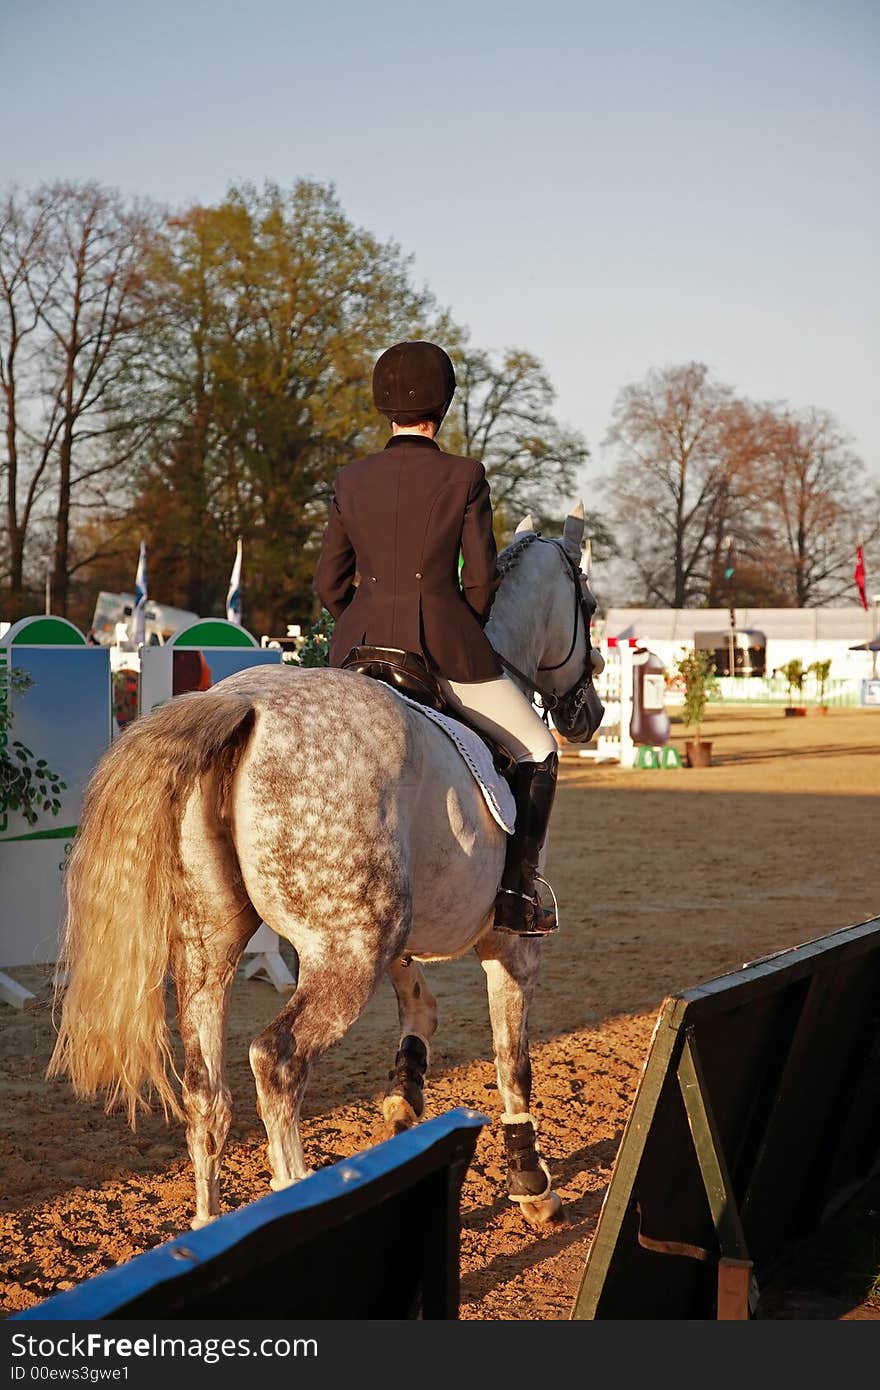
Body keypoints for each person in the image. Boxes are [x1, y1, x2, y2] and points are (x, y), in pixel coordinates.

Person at [313, 340, 559, 936]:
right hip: (440, 647)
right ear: (442, 406)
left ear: (383, 407)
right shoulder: (464, 475)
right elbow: (479, 580)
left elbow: (328, 583)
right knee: (538, 749)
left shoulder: (351, 478)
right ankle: (514, 893)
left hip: (358, 645)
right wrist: (458, 622)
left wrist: (365, 616)